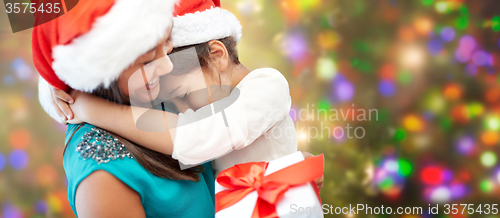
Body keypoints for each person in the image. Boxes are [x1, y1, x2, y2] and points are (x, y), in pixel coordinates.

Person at [49, 0, 305, 177]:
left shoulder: (269, 85)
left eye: (182, 95)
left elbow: (199, 138)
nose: (182, 114)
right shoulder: (214, 107)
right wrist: (61, 83)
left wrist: (91, 109)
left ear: (217, 55)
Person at [34, 0, 217, 217]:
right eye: (147, 61)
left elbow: (201, 134)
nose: (167, 64)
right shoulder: (102, 173)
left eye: (167, 39)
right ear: (99, 71)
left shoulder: (156, 89)